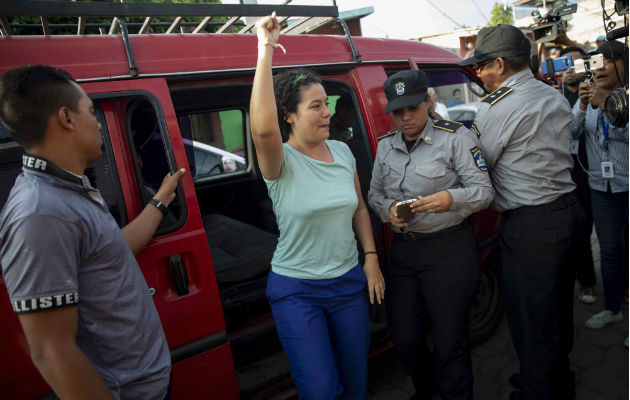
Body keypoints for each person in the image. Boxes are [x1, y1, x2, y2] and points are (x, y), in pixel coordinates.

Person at [0, 65, 185, 399]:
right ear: (66, 118)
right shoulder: (39, 212)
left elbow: (113, 249)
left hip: (146, 383)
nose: (98, 121)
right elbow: (50, 350)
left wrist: (159, 202)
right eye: (90, 111)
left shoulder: (69, 189)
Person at [250, 13, 385, 399]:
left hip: (347, 284)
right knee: (321, 390)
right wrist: (266, 48)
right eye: (315, 106)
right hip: (297, 290)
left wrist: (370, 256)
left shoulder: (342, 152)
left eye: (327, 103)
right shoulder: (280, 161)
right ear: (289, 116)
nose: (327, 112)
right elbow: (262, 129)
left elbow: (359, 206)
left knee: (356, 381)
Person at [459, 24, 584, 400]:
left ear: (499, 64)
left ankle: (538, 391)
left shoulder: (495, 109)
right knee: (559, 313)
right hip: (569, 214)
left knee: (532, 323)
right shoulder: (553, 95)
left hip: (532, 228)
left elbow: (475, 168)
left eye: (481, 66)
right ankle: (558, 382)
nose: (478, 74)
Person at [368, 69, 494, 400]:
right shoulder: (385, 146)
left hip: (448, 249)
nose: (406, 117)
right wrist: (390, 210)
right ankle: (427, 389)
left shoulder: (455, 138)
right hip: (406, 252)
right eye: (398, 111)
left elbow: (483, 192)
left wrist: (451, 198)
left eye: (413, 108)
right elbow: (374, 196)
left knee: (449, 338)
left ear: (427, 102)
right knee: (405, 336)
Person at [572, 40, 628, 330]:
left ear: (624, 63)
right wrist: (582, 104)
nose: (601, 67)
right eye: (596, 62)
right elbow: (570, 132)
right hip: (601, 189)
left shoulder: (626, 96)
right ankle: (613, 309)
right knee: (609, 251)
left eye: (608, 60)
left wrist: (608, 101)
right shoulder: (589, 98)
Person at [559, 46, 598, 304]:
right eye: (565, 63)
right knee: (581, 231)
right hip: (571, 174)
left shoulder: (597, 92)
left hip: (598, 168)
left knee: (611, 232)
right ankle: (587, 283)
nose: (570, 68)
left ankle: (622, 283)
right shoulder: (554, 97)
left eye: (576, 63)